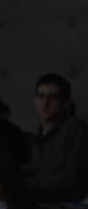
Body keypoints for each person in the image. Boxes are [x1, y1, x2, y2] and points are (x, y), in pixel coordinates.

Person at [22, 73, 88, 202]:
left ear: (66, 103)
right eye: (41, 96)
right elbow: (43, 166)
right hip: (42, 200)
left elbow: (70, 179)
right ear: (35, 100)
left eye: (53, 97)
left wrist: (22, 183)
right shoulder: (41, 131)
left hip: (63, 207)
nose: (45, 103)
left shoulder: (74, 128)